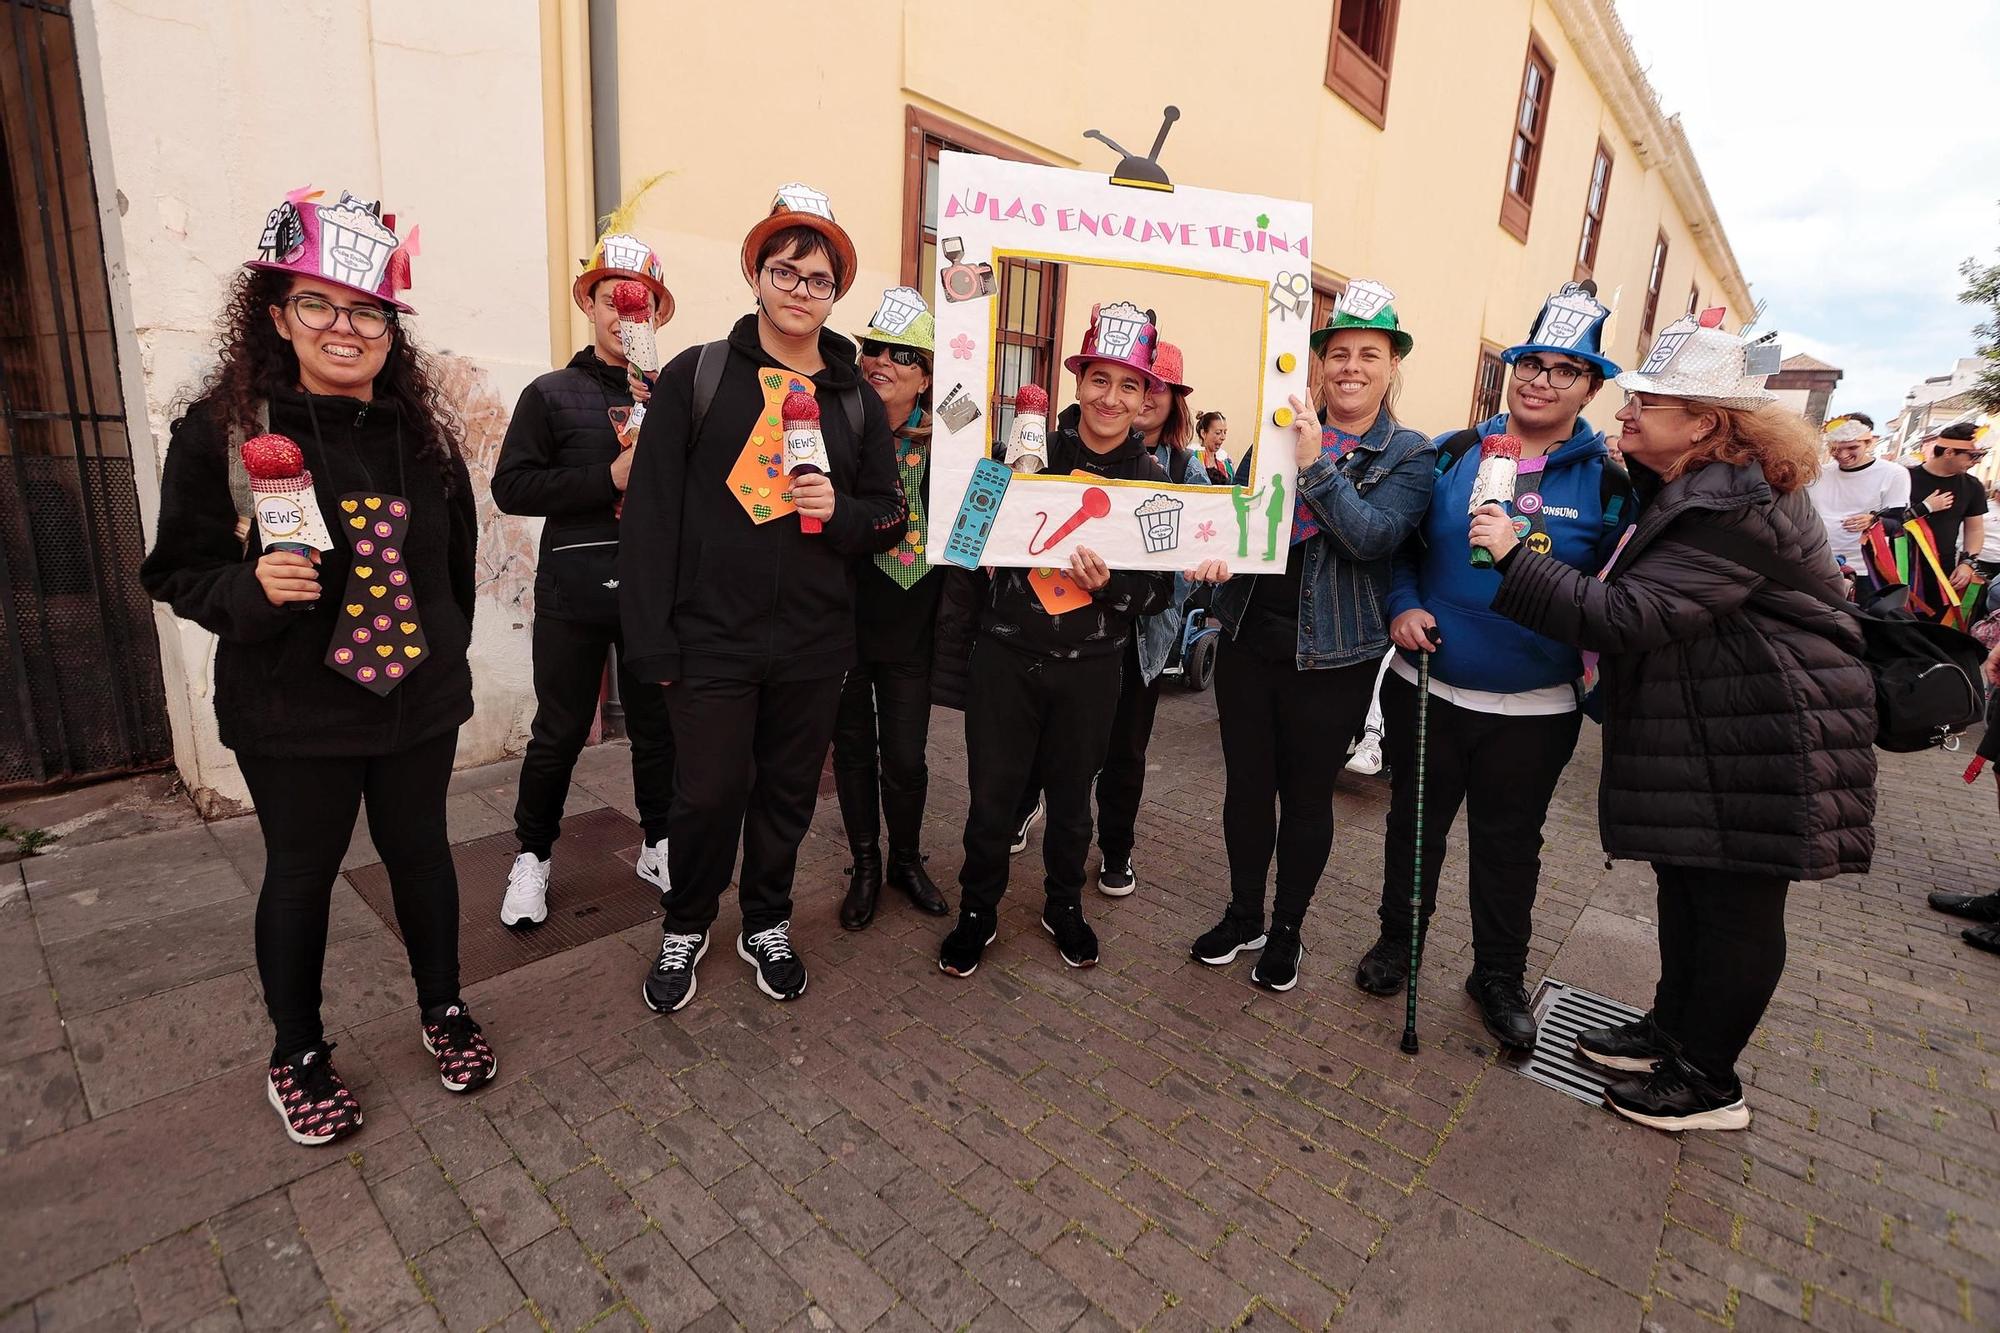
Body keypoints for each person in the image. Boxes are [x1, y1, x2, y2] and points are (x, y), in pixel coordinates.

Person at [140, 189, 495, 1145]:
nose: (344, 327)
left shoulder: (421, 437)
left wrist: (446, 651)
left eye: (366, 310)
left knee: (422, 856)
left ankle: (443, 1007)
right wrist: (248, 595)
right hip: (291, 705)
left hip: (415, 699)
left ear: (392, 327)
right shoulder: (224, 434)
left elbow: (451, 562)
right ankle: (296, 1052)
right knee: (302, 873)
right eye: (318, 304)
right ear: (276, 315)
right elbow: (177, 569)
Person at [1469, 311, 1876, 1131]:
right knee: (1690, 888)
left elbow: (1627, 616)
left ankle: (1707, 1080)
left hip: (1767, 733)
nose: (1622, 414)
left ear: (1702, 424)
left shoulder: (1733, 505)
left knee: (1734, 912)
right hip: (1721, 722)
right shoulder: (1700, 486)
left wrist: (1515, 556)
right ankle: (1672, 1032)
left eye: (1643, 404)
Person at [619, 184, 907, 1012]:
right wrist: (652, 643)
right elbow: (651, 519)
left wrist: (841, 514)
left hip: (815, 643)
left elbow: (890, 514)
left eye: (818, 279)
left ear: (836, 291)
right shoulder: (699, 374)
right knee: (705, 791)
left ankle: (766, 919)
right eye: (785, 270)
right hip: (711, 636)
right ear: (756, 272)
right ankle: (686, 919)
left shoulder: (855, 399)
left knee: (786, 791)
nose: (799, 289)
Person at [1353, 282, 1632, 1049]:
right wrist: (1401, 608)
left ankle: (1498, 972)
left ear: (1592, 386)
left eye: (1563, 370)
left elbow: (1619, 592)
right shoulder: (1450, 452)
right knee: (1416, 832)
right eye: (1528, 364)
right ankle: (1397, 942)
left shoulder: (1608, 484)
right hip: (1428, 690)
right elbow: (1406, 551)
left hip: (1534, 711)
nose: (1539, 380)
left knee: (1510, 848)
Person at [940, 303, 1200, 978]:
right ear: (1077, 381)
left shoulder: (1155, 482)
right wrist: (988, 532)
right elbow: (966, 537)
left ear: (1147, 397)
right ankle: (977, 909)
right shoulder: (1030, 449)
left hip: (1091, 667)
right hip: (1006, 654)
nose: (1111, 397)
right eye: (1098, 379)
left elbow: (1160, 594)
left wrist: (1110, 584)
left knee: (1071, 802)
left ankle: (1064, 905)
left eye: (1129, 384)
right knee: (993, 796)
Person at [1191, 280, 1435, 991]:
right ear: (1320, 363)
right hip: (1247, 638)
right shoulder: (1272, 428)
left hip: (1332, 656)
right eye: (1339, 353)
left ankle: (1288, 929)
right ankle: (1245, 914)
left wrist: (1316, 463)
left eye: (1370, 353)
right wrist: (1213, 558)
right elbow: (1235, 519)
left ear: (1392, 367)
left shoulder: (1409, 455)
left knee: (1304, 797)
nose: (1351, 366)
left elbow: (1372, 538)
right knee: (1246, 789)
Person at [491, 225, 677, 927]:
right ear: (590, 305)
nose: (627, 314)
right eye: (612, 299)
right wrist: (607, 477)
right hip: (573, 587)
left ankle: (660, 842)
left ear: (656, 314)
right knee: (559, 731)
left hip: (654, 589)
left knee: (659, 729)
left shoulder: (676, 393)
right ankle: (532, 858)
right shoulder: (551, 393)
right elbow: (513, 486)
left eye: (642, 304)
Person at [1008, 339, 1220, 896]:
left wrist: (1214, 561)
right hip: (1066, 637)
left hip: (1141, 642)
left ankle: (1115, 852)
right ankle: (1027, 807)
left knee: (1125, 751)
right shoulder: (1048, 452)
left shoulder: (1179, 472)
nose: (1133, 398)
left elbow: (1207, 549)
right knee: (1050, 740)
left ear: (1169, 399)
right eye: (1108, 381)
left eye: (1146, 386)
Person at [831, 287, 950, 929]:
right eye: (872, 348)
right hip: (845, 621)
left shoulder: (955, 449)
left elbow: (978, 530)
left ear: (927, 376)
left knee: (905, 756)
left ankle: (906, 859)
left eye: (901, 354)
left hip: (912, 626)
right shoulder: (836, 432)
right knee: (851, 750)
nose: (880, 361)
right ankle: (867, 864)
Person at [1805, 413, 1907, 590]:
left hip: (1862, 568)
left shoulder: (1894, 473)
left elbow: (1898, 524)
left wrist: (1874, 521)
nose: (1843, 455)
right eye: (1835, 448)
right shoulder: (1818, 474)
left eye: (1852, 447)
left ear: (1869, 442)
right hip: (1814, 564)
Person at [1906, 420, 1987, 596]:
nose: (1977, 462)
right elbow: (1887, 520)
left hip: (1942, 568)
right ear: (1949, 452)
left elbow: (1975, 529)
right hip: (1900, 562)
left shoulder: (1972, 486)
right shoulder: (1905, 478)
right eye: (1973, 456)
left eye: (1981, 456)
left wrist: (1968, 563)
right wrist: (1924, 508)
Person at [1197, 410, 1234, 484]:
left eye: (1225, 432)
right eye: (1218, 433)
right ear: (1203, 433)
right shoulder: (1194, 459)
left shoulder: (1226, 463)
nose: (1223, 437)